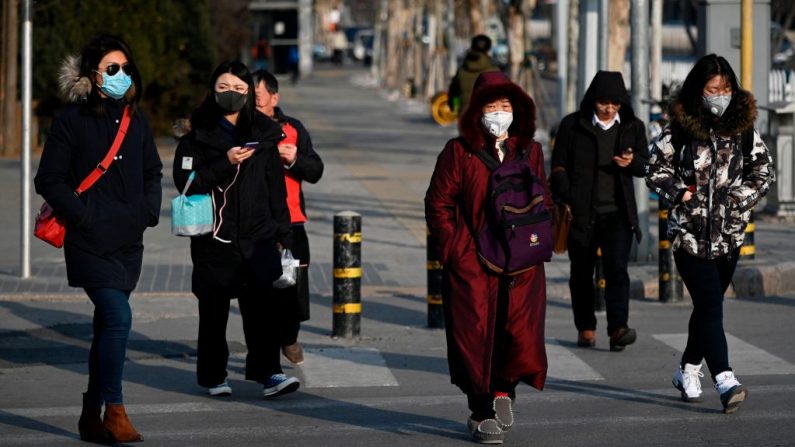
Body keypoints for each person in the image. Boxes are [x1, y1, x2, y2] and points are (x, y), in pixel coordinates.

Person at [34, 34, 162, 443]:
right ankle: (115, 410)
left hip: (129, 244)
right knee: (119, 318)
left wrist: (149, 212)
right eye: (112, 69)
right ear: (93, 75)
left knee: (107, 326)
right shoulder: (72, 120)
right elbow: (48, 180)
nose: (121, 75)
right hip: (89, 242)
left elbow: (152, 172)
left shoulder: (136, 119)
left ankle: (90, 414)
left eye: (126, 68)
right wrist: (84, 216)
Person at [425, 71, 550, 444]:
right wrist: (454, 250)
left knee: (518, 335)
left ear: (517, 110)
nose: (499, 114)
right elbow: (438, 202)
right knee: (474, 337)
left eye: (505, 106)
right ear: (477, 111)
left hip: (521, 264)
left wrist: (538, 240)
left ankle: (503, 394)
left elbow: (544, 199)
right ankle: (480, 414)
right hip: (473, 264)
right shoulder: (459, 151)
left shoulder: (531, 150)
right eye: (491, 107)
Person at [646, 54, 774, 414]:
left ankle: (687, 368)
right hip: (688, 233)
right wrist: (680, 193)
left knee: (706, 307)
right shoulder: (680, 128)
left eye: (726, 88)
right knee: (712, 304)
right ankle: (724, 378)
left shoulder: (742, 127)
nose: (720, 95)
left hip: (729, 234)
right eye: (712, 89)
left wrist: (738, 199)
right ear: (698, 90)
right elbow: (654, 168)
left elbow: (763, 172)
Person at [172, 61, 300, 399]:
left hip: (257, 237)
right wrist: (224, 162)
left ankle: (269, 372)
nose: (232, 95)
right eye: (224, 88)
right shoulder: (195, 134)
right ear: (213, 90)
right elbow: (186, 182)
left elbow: (276, 189)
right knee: (213, 313)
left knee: (262, 311)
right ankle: (214, 376)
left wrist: (283, 235)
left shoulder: (264, 134)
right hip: (214, 238)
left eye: (240, 90)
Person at [549, 71, 648, 352]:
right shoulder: (572, 125)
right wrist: (570, 195)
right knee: (581, 273)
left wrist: (632, 162)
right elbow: (557, 167)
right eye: (604, 102)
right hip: (581, 215)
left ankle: (618, 328)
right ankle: (586, 327)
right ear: (593, 100)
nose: (609, 109)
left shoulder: (632, 126)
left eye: (615, 103)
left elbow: (645, 166)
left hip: (618, 213)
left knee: (618, 270)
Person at [253, 69, 324, 366]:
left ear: (273, 97)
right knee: (259, 293)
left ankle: (289, 337)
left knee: (292, 290)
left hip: (292, 223)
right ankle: (265, 357)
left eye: (257, 98)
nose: (252, 103)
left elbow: (316, 170)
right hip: (255, 226)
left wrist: (294, 159)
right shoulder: (240, 129)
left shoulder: (292, 129)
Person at [447, 34, 500, 117]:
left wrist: (455, 108)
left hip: (465, 117)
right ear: (488, 49)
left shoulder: (462, 70)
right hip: (489, 118)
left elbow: (454, 93)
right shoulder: (494, 71)